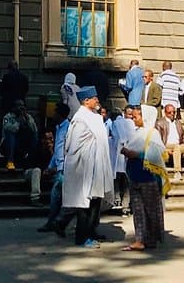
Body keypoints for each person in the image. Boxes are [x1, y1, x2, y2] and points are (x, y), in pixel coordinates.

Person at [59, 86, 114, 249]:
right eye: (94, 98)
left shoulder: (95, 116)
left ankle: (91, 232)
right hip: (84, 168)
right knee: (85, 205)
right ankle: (81, 238)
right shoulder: (80, 118)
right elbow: (74, 146)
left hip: (97, 167)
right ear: (86, 101)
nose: (97, 100)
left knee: (95, 204)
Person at [120, 105, 169, 251]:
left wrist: (137, 155)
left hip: (148, 177)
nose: (134, 120)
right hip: (134, 175)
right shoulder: (137, 133)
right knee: (138, 210)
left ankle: (152, 238)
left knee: (151, 210)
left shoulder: (152, 134)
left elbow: (157, 155)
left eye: (136, 117)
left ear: (145, 117)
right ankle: (140, 240)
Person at [37, 105, 71, 234]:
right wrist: (51, 166)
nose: (53, 115)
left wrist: (58, 167)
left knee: (57, 196)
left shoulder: (68, 128)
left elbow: (66, 150)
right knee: (58, 198)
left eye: (55, 112)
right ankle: (56, 222)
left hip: (64, 168)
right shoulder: (58, 128)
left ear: (60, 114)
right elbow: (57, 150)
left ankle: (55, 222)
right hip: (58, 167)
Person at [1, 100, 38, 172]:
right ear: (13, 108)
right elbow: (10, 129)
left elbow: (34, 130)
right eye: (18, 106)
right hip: (8, 145)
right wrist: (18, 121)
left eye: (22, 106)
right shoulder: (8, 117)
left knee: (33, 135)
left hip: (22, 144)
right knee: (11, 134)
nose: (20, 108)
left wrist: (26, 120)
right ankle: (10, 161)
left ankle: (32, 159)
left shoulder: (28, 117)